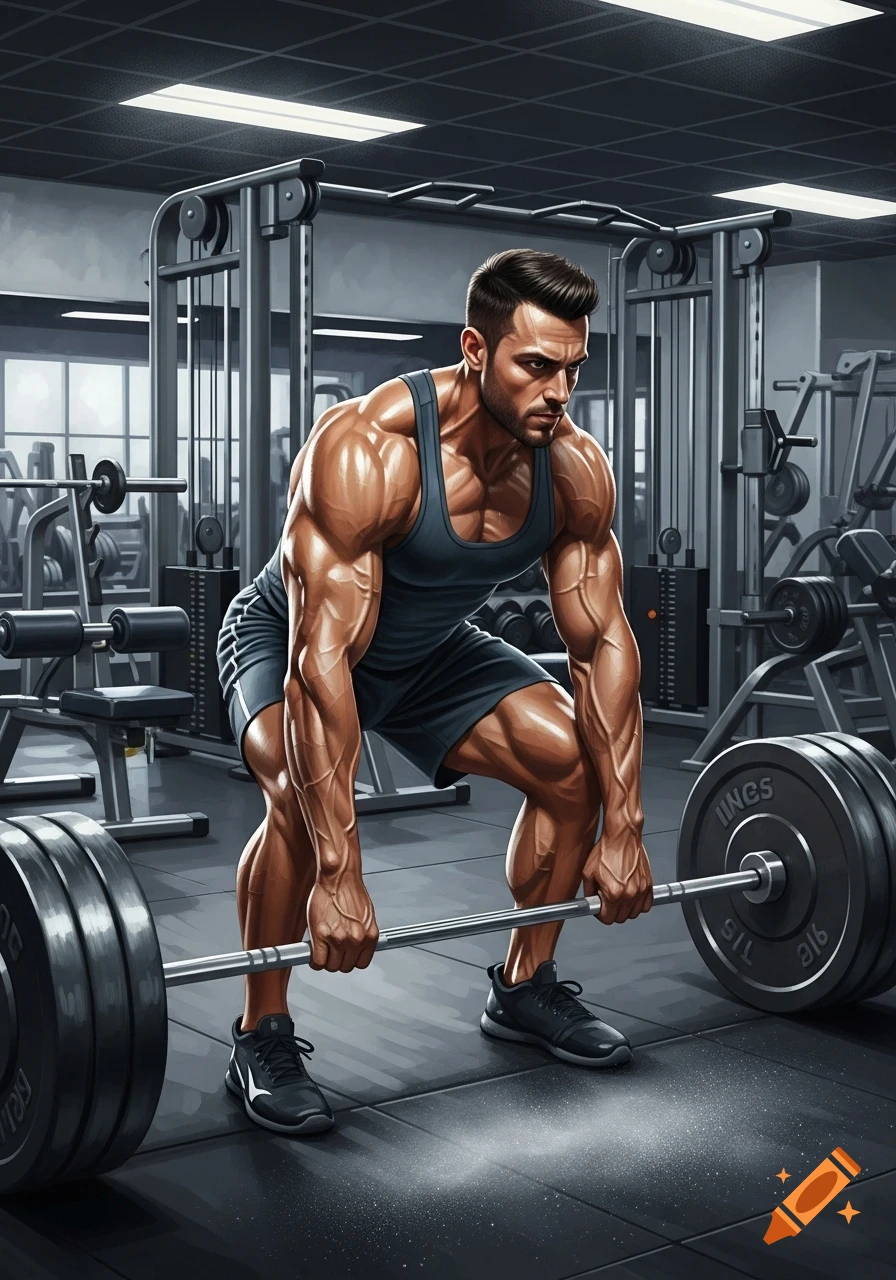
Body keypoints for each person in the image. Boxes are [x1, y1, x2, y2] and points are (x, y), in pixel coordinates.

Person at [216, 248, 653, 1136]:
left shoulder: (571, 467)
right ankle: (260, 1032)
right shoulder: (367, 445)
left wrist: (627, 826)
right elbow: (321, 662)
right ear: (475, 350)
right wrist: (342, 877)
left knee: (574, 767)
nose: (559, 392)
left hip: (431, 651)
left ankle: (525, 987)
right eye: (535, 365)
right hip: (292, 640)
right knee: (301, 806)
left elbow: (602, 642)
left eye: (573, 368)